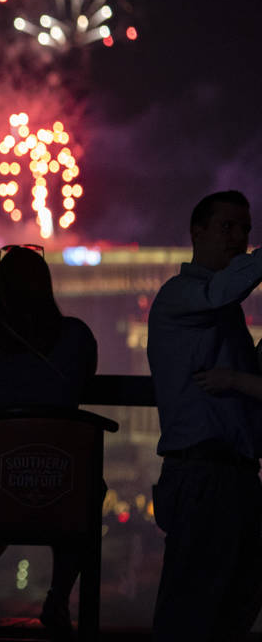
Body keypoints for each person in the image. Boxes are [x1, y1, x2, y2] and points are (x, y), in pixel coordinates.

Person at [0, 244, 97, 641]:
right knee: (88, 493)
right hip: (59, 483)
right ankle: (59, 597)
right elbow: (81, 381)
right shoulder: (77, 337)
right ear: (47, 285)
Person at [149, 190, 262, 642]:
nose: (239, 238)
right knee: (200, 613)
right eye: (228, 227)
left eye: (245, 230)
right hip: (205, 472)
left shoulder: (212, 306)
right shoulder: (183, 296)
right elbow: (224, 289)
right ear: (197, 233)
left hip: (222, 474)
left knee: (218, 607)